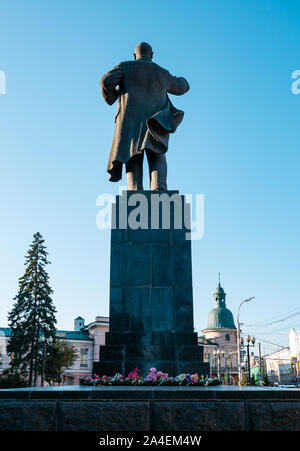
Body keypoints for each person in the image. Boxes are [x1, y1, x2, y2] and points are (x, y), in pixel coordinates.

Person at [100, 42, 189, 190]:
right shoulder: (162, 73)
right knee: (157, 152)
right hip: (156, 120)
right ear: (152, 55)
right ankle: (159, 189)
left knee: (133, 153)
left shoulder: (126, 66)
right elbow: (181, 86)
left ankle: (135, 191)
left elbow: (105, 81)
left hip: (130, 120)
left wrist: (113, 96)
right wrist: (185, 81)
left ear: (135, 56)